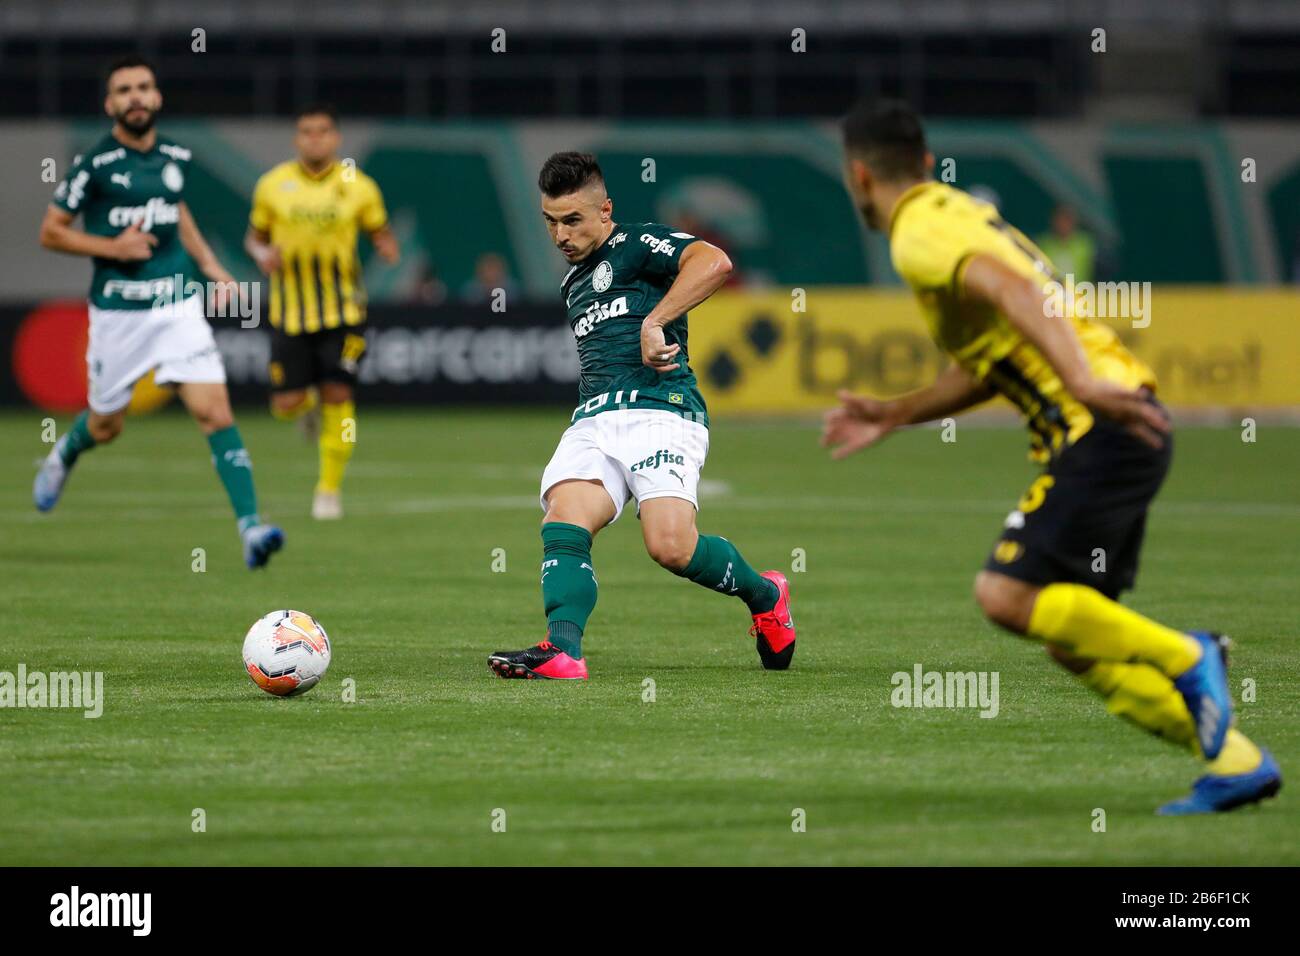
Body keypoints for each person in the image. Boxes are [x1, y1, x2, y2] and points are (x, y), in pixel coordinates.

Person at [822, 99, 1280, 815]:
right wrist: (896, 413)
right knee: (1076, 640)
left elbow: (1015, 291)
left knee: (1004, 595)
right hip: (1119, 422)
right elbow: (989, 357)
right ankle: (1236, 762)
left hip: (1100, 422)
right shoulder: (958, 212)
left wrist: (1082, 383)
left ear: (857, 174)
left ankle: (1191, 657)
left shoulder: (917, 232)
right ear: (924, 159)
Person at [488, 152, 795, 680]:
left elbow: (715, 262)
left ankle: (766, 594)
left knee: (671, 546)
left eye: (573, 220)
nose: (560, 234)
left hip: (662, 409)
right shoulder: (571, 284)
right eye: (550, 222)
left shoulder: (635, 243)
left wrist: (656, 320)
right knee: (564, 519)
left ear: (605, 210)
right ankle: (564, 651)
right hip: (593, 420)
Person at [34, 54, 283, 569]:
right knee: (107, 426)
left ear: (157, 96)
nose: (136, 97)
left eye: (143, 87)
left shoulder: (174, 155)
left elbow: (177, 209)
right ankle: (62, 454)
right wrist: (111, 248)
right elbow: (50, 231)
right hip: (119, 317)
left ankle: (251, 529)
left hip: (176, 307)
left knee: (215, 412)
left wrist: (211, 264)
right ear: (110, 104)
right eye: (124, 90)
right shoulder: (95, 164)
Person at [244, 104, 399, 520]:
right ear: (298, 139)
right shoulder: (272, 185)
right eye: (307, 132)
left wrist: (386, 247)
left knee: (339, 393)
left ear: (335, 139)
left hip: (344, 310)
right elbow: (254, 238)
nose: (315, 138)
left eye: (323, 131)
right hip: (290, 313)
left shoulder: (359, 186)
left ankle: (328, 490)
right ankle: (305, 406)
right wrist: (262, 254)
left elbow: (379, 230)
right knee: (286, 405)